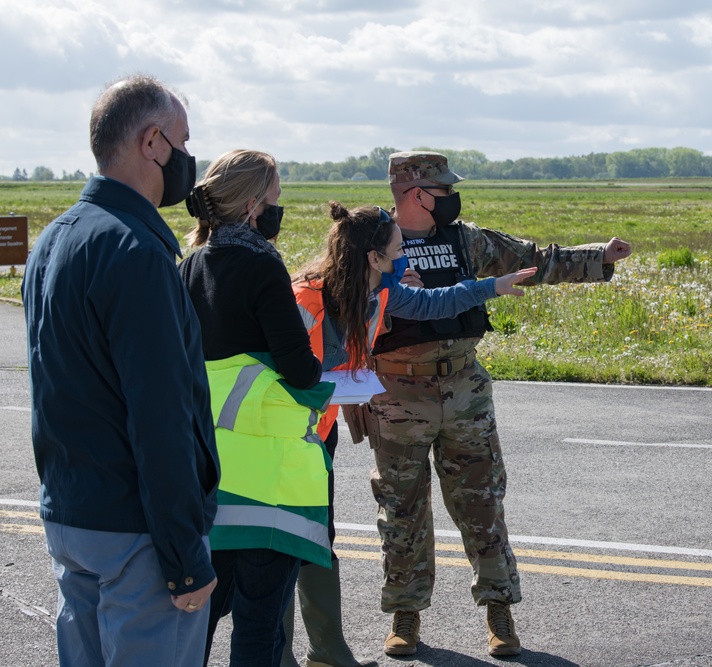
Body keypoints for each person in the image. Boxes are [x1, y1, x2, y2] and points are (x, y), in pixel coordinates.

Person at [368, 151, 633, 657]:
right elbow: (334, 294)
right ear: (418, 194)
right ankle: (406, 614)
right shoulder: (371, 239)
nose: (453, 198)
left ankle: (499, 612)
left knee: (481, 502)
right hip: (397, 394)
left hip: (465, 388)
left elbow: (533, 259)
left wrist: (599, 257)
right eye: (444, 190)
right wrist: (384, 288)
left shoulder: (467, 239)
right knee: (402, 511)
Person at [280, 202, 536, 667]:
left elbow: (434, 302)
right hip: (286, 429)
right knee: (390, 512)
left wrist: (492, 287)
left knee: (478, 503)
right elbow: (282, 366)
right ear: (374, 258)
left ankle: (498, 611)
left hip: (316, 422)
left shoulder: (381, 289)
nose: (407, 257)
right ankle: (396, 617)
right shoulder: (306, 298)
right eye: (398, 250)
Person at [21, 74, 219, 666]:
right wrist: (186, 558)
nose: (189, 158)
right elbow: (161, 416)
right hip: (138, 533)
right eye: (183, 142)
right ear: (153, 142)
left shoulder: (54, 240)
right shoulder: (136, 252)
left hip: (74, 515)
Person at [179, 149, 328, 667]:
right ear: (250, 205)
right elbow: (300, 368)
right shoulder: (263, 266)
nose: (277, 209)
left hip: (209, 479)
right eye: (274, 199)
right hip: (267, 481)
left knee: (197, 621)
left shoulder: (189, 265)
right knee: (259, 627)